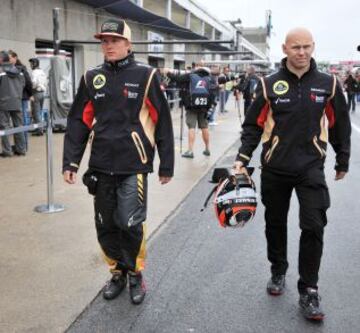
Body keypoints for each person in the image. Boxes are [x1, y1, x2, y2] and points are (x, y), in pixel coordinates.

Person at [234, 28, 351, 321]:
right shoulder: (268, 84)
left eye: (307, 47)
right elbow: (253, 126)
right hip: (274, 168)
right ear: (285, 49)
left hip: (310, 168)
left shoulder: (329, 84)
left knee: (314, 226)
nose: (302, 52)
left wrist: (342, 160)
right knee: (275, 223)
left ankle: (309, 289)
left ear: (313, 47)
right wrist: (242, 159)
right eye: (296, 47)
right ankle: (278, 269)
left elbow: (340, 125)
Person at [62, 18, 174, 305]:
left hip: (133, 165)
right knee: (105, 224)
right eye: (104, 41)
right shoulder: (91, 77)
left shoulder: (146, 75)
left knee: (130, 222)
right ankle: (117, 274)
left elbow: (162, 121)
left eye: (114, 40)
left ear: (128, 44)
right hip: (100, 166)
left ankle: (135, 273)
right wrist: (71, 162)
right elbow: (79, 120)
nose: (108, 45)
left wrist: (166, 164)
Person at [164, 64, 213, 158]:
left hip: (192, 106)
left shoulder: (190, 76)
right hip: (204, 106)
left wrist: (168, 73)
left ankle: (190, 151)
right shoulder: (208, 78)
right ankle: (207, 149)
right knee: (204, 127)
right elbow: (212, 92)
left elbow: (177, 79)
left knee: (192, 127)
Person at [0, 50, 26, 157]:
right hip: (17, 102)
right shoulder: (19, 71)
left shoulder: (1, 72)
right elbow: (23, 85)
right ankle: (21, 149)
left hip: (3, 103)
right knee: (19, 125)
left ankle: (7, 151)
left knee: (4, 126)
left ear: (2, 59)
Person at [8, 50, 33, 150]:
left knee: (21, 122)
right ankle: (20, 145)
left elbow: (28, 83)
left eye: (10, 58)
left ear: (15, 58)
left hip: (22, 98)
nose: (8, 60)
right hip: (14, 99)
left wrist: (30, 95)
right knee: (17, 123)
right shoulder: (9, 69)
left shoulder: (22, 69)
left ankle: (23, 146)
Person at [29, 57, 47, 135]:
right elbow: (46, 82)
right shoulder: (42, 72)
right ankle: (39, 128)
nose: (30, 65)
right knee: (39, 112)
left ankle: (39, 130)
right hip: (42, 93)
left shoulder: (34, 72)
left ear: (34, 64)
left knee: (36, 112)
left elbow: (34, 82)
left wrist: (31, 88)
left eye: (31, 63)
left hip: (36, 92)